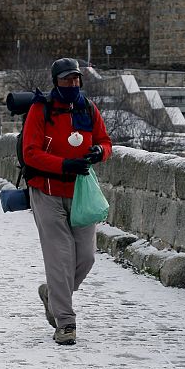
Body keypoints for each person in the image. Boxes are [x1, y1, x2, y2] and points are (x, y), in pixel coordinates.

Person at [22, 57, 112, 345]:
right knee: (60, 258)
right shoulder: (40, 110)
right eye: (66, 80)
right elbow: (30, 153)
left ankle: (52, 294)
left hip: (80, 193)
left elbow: (106, 141)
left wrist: (100, 152)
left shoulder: (88, 108)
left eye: (75, 79)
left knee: (85, 257)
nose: (72, 84)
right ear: (55, 81)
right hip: (46, 192)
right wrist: (64, 165)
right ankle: (65, 323)